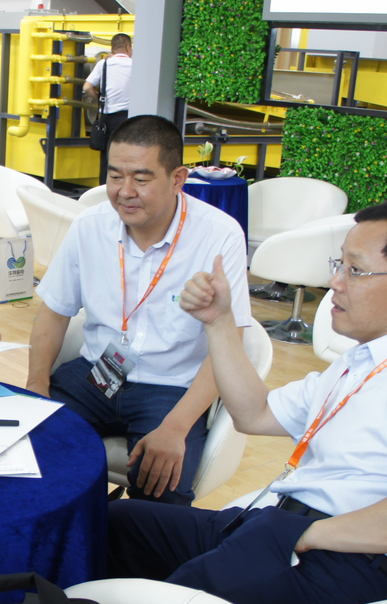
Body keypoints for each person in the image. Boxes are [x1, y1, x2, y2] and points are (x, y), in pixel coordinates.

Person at [109, 200, 387, 604]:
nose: (335, 282)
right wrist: (219, 322)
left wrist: (308, 534)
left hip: (342, 560)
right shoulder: (360, 363)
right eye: (339, 265)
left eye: (356, 270)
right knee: (118, 524)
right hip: (281, 526)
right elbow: (255, 414)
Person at [26, 115, 250, 505]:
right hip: (95, 375)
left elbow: (230, 344)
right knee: (23, 453)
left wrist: (176, 427)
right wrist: (36, 386)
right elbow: (54, 312)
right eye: (115, 176)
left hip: (171, 388)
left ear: (178, 178)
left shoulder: (219, 235)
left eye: (142, 179)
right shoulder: (90, 225)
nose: (125, 192)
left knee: (161, 493)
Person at [83, 33, 132, 181]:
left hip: (107, 117)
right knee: (128, 155)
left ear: (112, 49)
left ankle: (104, 188)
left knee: (107, 156)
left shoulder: (103, 64)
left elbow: (87, 87)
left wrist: (99, 98)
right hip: (128, 118)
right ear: (128, 47)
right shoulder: (135, 65)